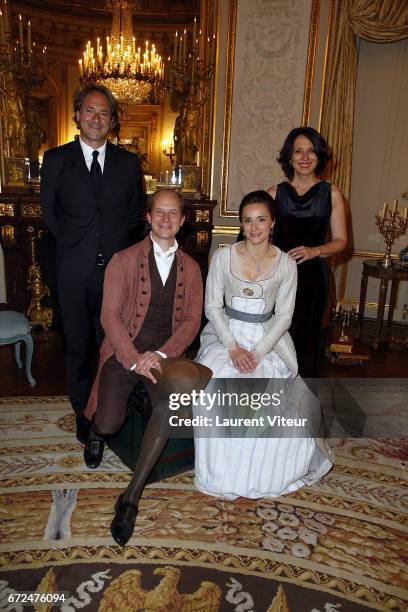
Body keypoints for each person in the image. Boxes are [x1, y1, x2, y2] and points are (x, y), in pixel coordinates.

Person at [83, 189, 212, 546]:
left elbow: (190, 321)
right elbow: (109, 317)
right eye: (160, 212)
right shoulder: (123, 260)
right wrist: (133, 358)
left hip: (164, 358)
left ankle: (130, 498)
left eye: (174, 214)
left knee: (171, 404)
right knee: (109, 421)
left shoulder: (192, 267)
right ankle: (94, 432)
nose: (166, 219)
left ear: (183, 220)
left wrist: (162, 355)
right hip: (124, 353)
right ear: (149, 217)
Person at [194, 190, 332, 499]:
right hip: (225, 337)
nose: (254, 227)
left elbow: (283, 317)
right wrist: (232, 347)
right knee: (217, 383)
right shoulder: (222, 256)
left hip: (268, 341)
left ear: (272, 223)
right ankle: (223, 475)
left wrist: (256, 353)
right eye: (247, 221)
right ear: (240, 225)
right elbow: (212, 308)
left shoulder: (285, 264)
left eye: (261, 220)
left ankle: (261, 475)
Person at [40, 85, 144, 444]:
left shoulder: (128, 163)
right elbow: (50, 214)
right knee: (77, 344)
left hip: (115, 272)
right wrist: (76, 244)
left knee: (112, 344)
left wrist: (115, 252)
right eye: (89, 111)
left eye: (104, 113)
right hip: (73, 269)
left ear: (112, 121)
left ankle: (108, 409)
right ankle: (83, 412)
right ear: (77, 115)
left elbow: (134, 214)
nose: (96, 119)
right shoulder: (55, 160)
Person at [268, 127, 347, 377]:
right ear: (289, 157)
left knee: (309, 336)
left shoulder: (331, 193)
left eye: (311, 151)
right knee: (276, 336)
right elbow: (256, 239)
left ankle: (303, 400)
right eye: (298, 151)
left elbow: (341, 241)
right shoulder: (274, 193)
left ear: (319, 156)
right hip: (278, 277)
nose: (304, 157)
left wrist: (315, 251)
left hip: (313, 279)